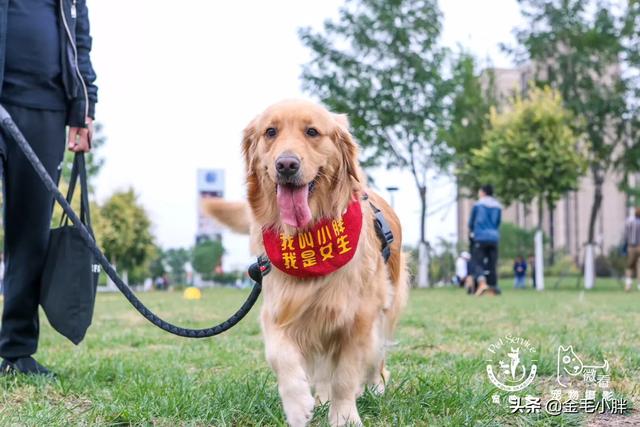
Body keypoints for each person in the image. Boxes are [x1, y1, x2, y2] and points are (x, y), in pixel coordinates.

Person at [0, 1, 98, 376]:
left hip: (46, 107)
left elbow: (81, 43)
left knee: (31, 235)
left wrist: (83, 107)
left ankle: (17, 352)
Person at [468, 184, 502, 296]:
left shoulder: (478, 205)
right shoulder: (498, 206)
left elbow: (471, 223)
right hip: (494, 238)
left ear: (483, 192)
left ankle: (482, 284)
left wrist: (473, 232)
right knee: (492, 264)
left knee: (477, 262)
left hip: (480, 237)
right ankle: (492, 289)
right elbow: (497, 223)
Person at [624, 207, 640, 292]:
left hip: (631, 247)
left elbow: (625, 235)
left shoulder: (629, 222)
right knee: (639, 265)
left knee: (629, 266)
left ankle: (628, 284)